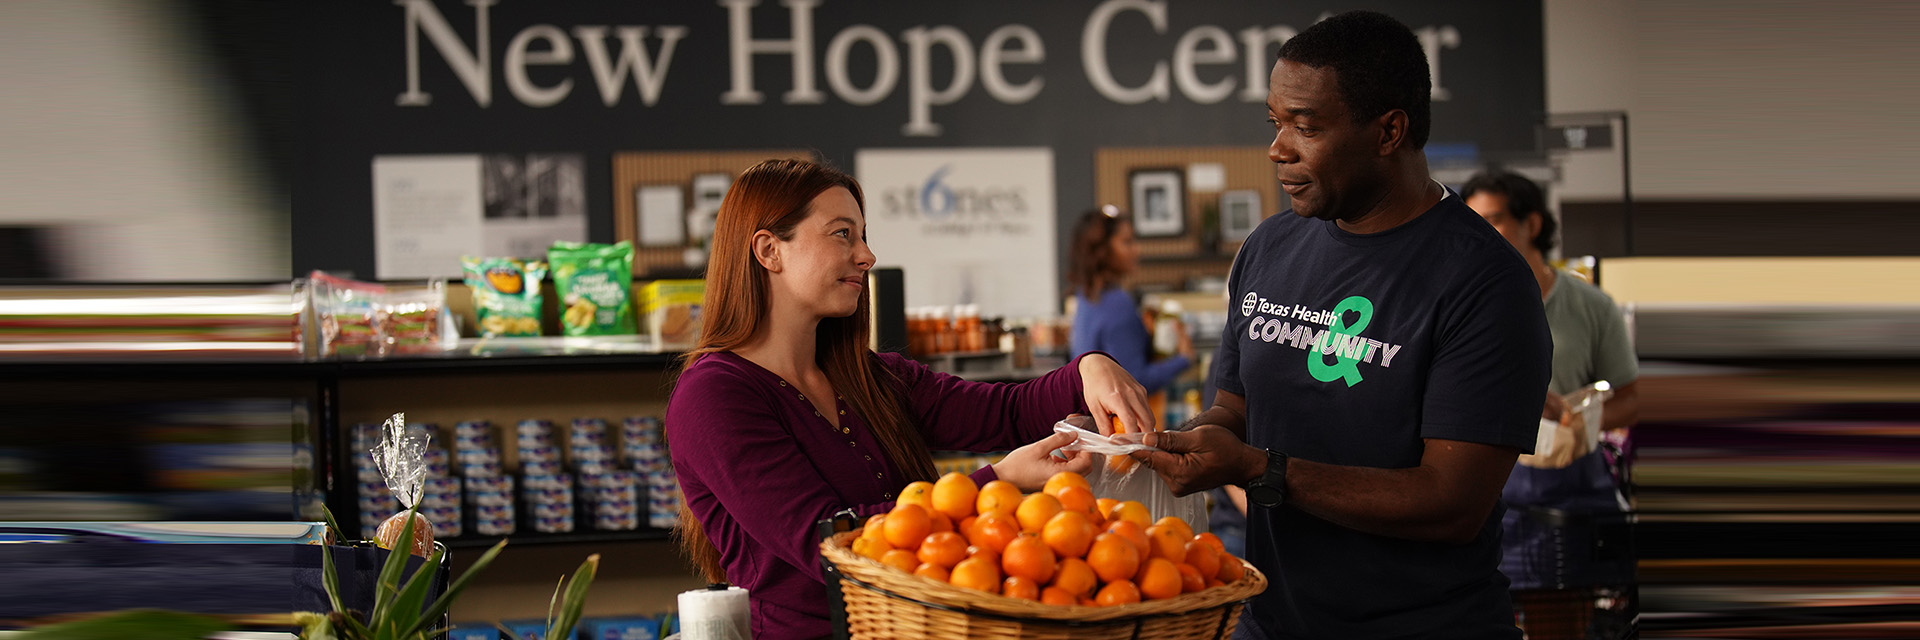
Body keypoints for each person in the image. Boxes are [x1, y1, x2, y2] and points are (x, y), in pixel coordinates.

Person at [1129, 11, 1553, 639]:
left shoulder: (1484, 282)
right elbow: (1234, 412)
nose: (1278, 149)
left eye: (1306, 127)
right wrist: (1160, 444)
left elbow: (1452, 503)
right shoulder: (1268, 248)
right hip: (1270, 622)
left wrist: (1258, 468)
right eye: (1275, 124)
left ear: (1389, 131)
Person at [664, 159, 1156, 639]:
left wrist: (1087, 369)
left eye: (863, 236)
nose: (867, 255)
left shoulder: (871, 378)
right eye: (842, 234)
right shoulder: (714, 396)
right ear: (769, 250)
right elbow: (825, 541)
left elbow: (1003, 411)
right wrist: (995, 482)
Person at [1464, 170, 1640, 640]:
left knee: (1558, 618)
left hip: (1564, 491)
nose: (1482, 232)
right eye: (1472, 221)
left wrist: (1580, 420)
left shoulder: (1589, 306)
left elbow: (1631, 400)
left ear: (1533, 224)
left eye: (1495, 220)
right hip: (1481, 489)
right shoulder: (1461, 305)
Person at [1067, 206, 1195, 394]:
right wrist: (1184, 358)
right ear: (1102, 250)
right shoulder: (1117, 303)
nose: (1137, 250)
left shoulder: (1085, 297)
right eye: (1127, 242)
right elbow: (1134, 381)